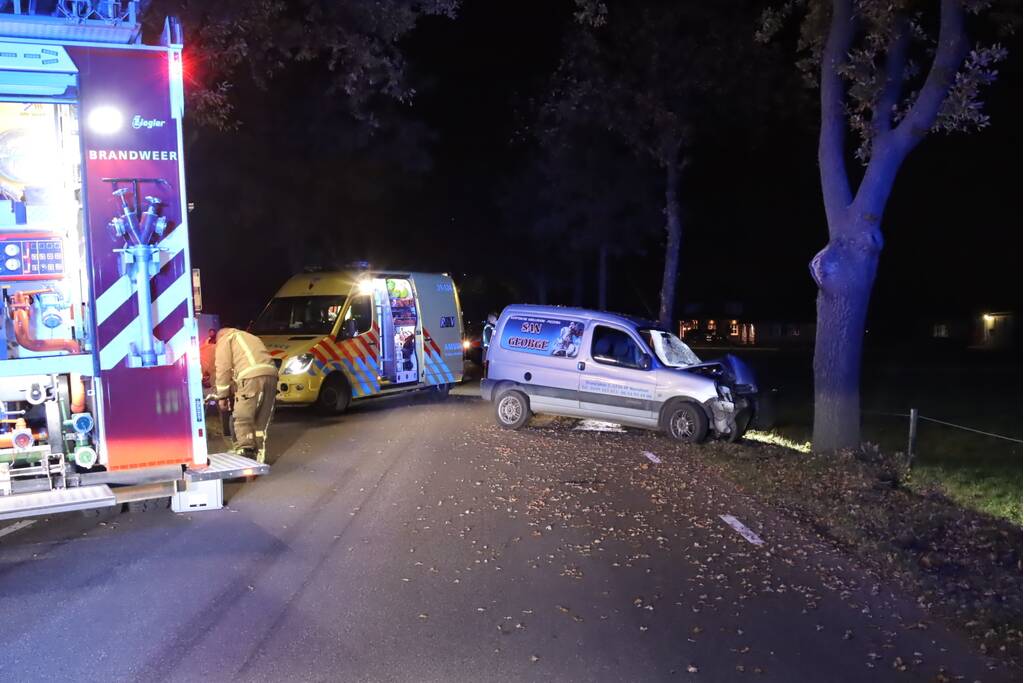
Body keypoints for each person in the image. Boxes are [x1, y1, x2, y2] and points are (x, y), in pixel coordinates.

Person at [209, 327, 278, 461]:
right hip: (272, 375)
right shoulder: (250, 337)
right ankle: (259, 456)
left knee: (242, 417)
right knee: (260, 421)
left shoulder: (225, 339)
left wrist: (222, 395)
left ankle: (246, 452)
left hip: (251, 377)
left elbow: (223, 369)